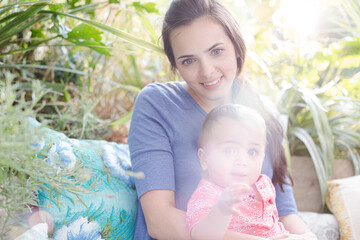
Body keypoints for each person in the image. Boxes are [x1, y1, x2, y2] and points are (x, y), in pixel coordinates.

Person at [128, 0, 314, 239]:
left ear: (237, 47)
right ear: (174, 65)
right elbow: (159, 221)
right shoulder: (158, 104)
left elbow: (285, 213)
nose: (207, 71)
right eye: (188, 60)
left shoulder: (264, 114)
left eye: (216, 51)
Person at [186, 104, 316, 240]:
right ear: (205, 159)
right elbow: (200, 235)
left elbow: (273, 226)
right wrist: (220, 211)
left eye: (252, 152)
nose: (242, 161)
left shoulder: (264, 184)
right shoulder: (208, 193)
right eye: (229, 150)